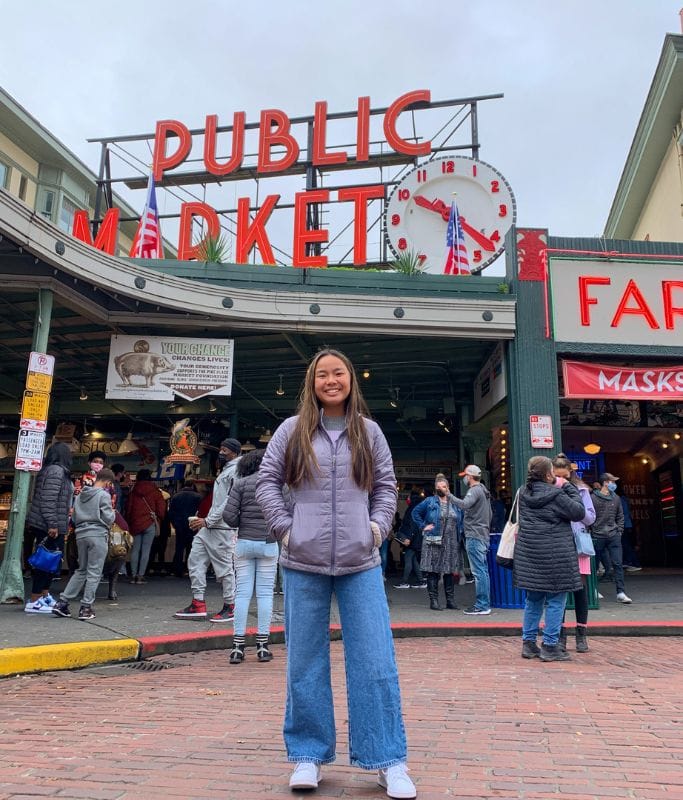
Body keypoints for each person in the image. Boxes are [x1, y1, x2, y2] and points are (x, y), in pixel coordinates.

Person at [255, 349, 416, 799]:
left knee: (375, 661)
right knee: (304, 661)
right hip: (302, 560)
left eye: (338, 373)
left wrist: (378, 528)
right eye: (322, 374)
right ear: (312, 383)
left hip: (360, 561)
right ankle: (308, 755)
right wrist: (286, 530)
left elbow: (386, 486)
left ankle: (388, 760)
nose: (331, 380)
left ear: (350, 380)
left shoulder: (369, 431)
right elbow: (267, 481)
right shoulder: (292, 430)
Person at [514, 456, 587, 662]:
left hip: (530, 554)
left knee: (534, 599)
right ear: (548, 474)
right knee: (556, 600)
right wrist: (568, 486)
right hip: (556, 553)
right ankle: (550, 645)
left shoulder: (523, 492)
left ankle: (528, 644)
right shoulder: (557, 494)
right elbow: (578, 512)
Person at [174, 438, 241, 622]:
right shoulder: (227, 470)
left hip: (221, 527)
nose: (221, 452)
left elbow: (229, 500)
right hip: (212, 526)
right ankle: (198, 603)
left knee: (224, 568)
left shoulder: (236, 471)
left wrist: (207, 520)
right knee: (195, 561)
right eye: (221, 448)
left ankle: (230, 605)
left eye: (225, 449)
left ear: (234, 452)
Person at [223, 448, 278, 663]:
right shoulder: (276, 485)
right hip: (268, 544)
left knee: (242, 595)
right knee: (265, 595)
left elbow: (228, 515)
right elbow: (288, 511)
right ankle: (262, 647)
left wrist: (241, 524)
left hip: (244, 543)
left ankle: (237, 647)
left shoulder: (240, 484)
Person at [52, 468, 116, 620]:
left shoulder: (80, 495)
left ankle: (62, 602)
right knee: (94, 572)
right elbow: (108, 518)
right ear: (108, 482)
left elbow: (73, 516)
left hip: (81, 534)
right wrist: (113, 513)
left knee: (81, 570)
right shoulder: (104, 495)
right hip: (97, 534)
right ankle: (86, 608)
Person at [551, 454, 596, 652]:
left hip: (577, 543)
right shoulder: (549, 491)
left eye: (565, 476)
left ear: (571, 474)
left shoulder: (582, 491)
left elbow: (590, 518)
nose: (562, 480)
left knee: (580, 590)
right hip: (557, 543)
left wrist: (576, 509)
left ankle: (581, 633)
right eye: (558, 476)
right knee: (557, 589)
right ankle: (560, 634)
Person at [24, 442, 74, 614]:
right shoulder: (56, 471)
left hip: (50, 523)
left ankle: (43, 595)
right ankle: (35, 599)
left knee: (50, 562)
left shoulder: (50, 470)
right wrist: (52, 523)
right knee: (45, 562)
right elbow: (48, 499)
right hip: (49, 525)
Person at [412, 476, 463, 609]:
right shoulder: (430, 501)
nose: (441, 489)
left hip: (451, 542)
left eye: (443, 486)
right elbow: (415, 513)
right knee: (433, 571)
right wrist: (423, 526)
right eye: (438, 487)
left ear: (448, 488)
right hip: (434, 540)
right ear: (435, 488)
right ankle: (434, 601)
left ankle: (450, 601)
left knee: (449, 571)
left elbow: (460, 519)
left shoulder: (454, 503)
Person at [450, 465, 492, 615]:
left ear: (470, 477)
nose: (464, 478)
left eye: (465, 476)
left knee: (478, 572)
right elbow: (490, 514)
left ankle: (482, 605)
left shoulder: (474, 491)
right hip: (482, 534)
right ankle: (485, 603)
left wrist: (449, 495)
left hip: (474, 535)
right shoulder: (484, 491)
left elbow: (464, 505)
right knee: (483, 571)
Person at [591, 472, 632, 604]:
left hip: (613, 535)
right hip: (597, 535)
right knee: (594, 564)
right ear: (605, 483)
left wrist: (619, 531)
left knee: (618, 563)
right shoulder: (593, 498)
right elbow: (589, 516)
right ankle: (593, 590)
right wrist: (593, 531)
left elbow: (620, 516)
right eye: (612, 481)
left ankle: (621, 592)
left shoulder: (616, 498)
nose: (614, 484)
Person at [125, 469, 166, 584]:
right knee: (146, 551)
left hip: (136, 523)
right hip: (150, 522)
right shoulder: (155, 491)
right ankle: (140, 576)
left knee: (135, 550)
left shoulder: (133, 491)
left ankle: (133, 576)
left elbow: (129, 508)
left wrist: (130, 521)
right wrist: (158, 518)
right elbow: (161, 509)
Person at [168, 480, 202, 577]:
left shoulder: (176, 496)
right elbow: (201, 512)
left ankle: (177, 569)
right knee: (191, 548)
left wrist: (175, 524)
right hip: (193, 525)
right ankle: (189, 569)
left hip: (179, 525)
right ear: (192, 485)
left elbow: (171, 512)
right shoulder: (198, 497)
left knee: (179, 548)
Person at [393, 491, 426, 590]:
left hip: (411, 540)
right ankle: (421, 581)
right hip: (417, 539)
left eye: (409, 497)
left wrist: (408, 539)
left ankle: (404, 582)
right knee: (414, 560)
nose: (407, 499)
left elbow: (412, 525)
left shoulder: (412, 509)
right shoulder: (420, 509)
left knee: (408, 560)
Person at [617, 488, 642, 572]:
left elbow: (621, 513)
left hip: (623, 525)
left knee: (626, 545)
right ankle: (628, 561)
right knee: (626, 544)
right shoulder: (625, 499)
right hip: (627, 524)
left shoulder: (620, 500)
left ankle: (634, 563)